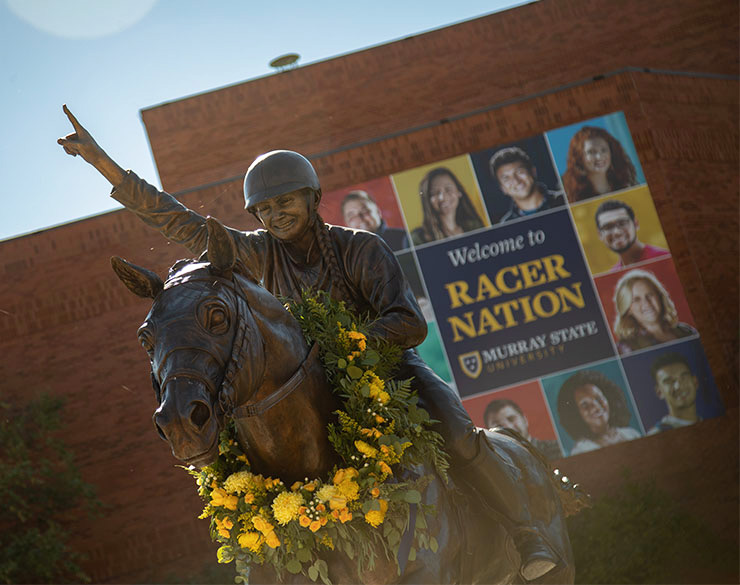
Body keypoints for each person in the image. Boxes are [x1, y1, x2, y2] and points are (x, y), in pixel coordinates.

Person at [58, 106, 559, 580]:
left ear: (313, 199)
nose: (277, 215)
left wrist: (347, 344)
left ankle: (526, 533)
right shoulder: (253, 256)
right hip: (306, 389)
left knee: (455, 429)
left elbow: (408, 323)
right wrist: (104, 164)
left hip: (388, 373)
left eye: (287, 202)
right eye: (266, 208)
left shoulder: (361, 248)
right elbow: (176, 219)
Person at [557, 370, 640, 455]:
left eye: (598, 398)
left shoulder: (631, 434)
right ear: (576, 414)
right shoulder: (581, 451)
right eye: (585, 405)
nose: (596, 407)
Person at [613, 269, 696, 353]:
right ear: (627, 310)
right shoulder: (627, 347)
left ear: (659, 296)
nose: (647, 303)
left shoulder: (686, 331)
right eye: (636, 299)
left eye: (650, 295)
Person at [561, 126, 637, 202]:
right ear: (579, 157)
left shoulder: (627, 187)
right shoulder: (571, 197)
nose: (599, 156)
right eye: (591, 152)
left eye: (603, 150)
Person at [489, 147, 565, 222]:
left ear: (533, 172)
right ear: (503, 188)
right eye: (506, 178)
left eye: (519, 172)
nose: (516, 181)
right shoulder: (506, 225)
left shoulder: (565, 200)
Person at [410, 167, 484, 245]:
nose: (442, 198)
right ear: (427, 200)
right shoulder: (418, 239)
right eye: (435, 192)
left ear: (459, 192)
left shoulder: (475, 227)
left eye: (448, 189)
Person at [594, 200, 668, 269]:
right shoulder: (613, 274)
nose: (617, 232)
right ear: (600, 235)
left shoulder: (665, 259)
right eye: (608, 227)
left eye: (622, 223)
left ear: (636, 224)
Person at [484, 399, 562, 461]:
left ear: (525, 420)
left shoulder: (557, 448)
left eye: (511, 419)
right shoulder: (495, 466)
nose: (508, 428)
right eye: (498, 425)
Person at [647, 352, 701, 434]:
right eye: (669, 381)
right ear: (659, 392)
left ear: (695, 382)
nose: (678, 386)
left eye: (684, 378)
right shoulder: (657, 434)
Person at [340, 189, 410, 252]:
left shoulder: (404, 238)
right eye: (352, 216)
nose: (359, 219)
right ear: (346, 223)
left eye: (364, 211)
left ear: (378, 212)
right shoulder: (347, 253)